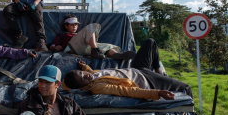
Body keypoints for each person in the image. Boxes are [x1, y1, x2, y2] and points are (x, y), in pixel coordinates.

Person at [63, 38, 192, 100]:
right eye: (83, 79)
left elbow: (91, 73)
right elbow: (127, 91)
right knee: (185, 87)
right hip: (145, 79)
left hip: (137, 69)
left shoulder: (92, 75)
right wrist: (156, 93)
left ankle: (159, 71)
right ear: (82, 86)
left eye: (82, 73)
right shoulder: (97, 87)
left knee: (150, 42)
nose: (87, 76)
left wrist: (83, 66)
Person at [49, 14, 136, 59]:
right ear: (66, 26)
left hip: (84, 48)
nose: (74, 26)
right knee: (91, 27)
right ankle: (95, 50)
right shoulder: (62, 35)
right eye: (72, 25)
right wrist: (55, 47)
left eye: (76, 24)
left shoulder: (79, 34)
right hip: (71, 48)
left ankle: (117, 55)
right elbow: (52, 45)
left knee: (106, 46)